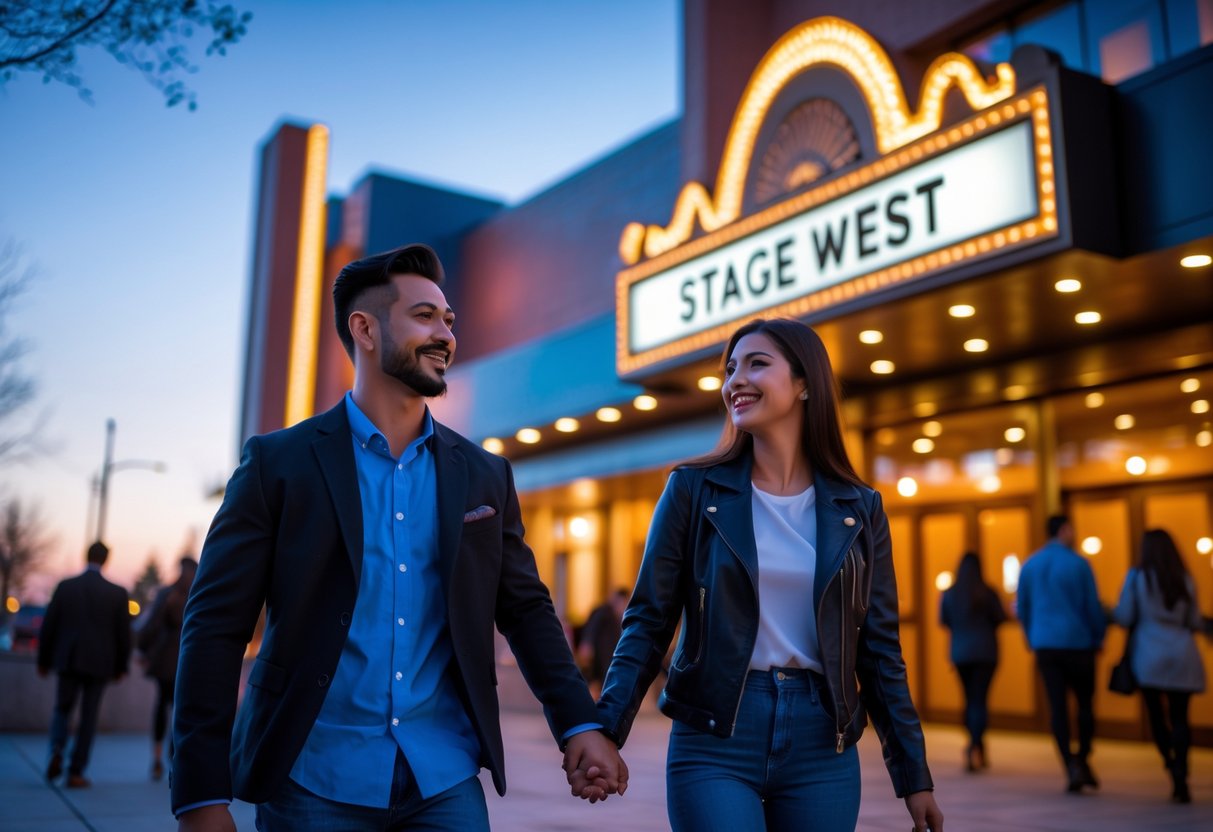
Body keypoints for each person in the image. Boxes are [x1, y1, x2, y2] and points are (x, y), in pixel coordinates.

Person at [171, 244, 626, 831]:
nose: (446, 335)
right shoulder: (278, 465)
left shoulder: (484, 475)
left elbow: (526, 609)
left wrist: (579, 723)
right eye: (424, 316)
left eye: (449, 320)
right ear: (364, 328)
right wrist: (201, 796)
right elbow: (213, 627)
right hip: (312, 777)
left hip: (444, 778)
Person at [594, 318, 942, 832]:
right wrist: (607, 729)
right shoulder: (693, 490)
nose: (735, 379)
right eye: (730, 368)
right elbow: (647, 622)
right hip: (714, 735)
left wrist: (915, 775)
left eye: (757, 363)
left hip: (822, 741)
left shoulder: (861, 508)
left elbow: (879, 647)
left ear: (804, 384)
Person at [1112, 529, 1206, 803]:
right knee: (1180, 718)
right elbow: (1194, 621)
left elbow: (1125, 615)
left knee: (1156, 715)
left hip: (1148, 653)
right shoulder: (1184, 580)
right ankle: (1182, 772)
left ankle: (1169, 761)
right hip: (1182, 652)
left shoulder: (1137, 577)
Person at [1016, 514, 1106, 793]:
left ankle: (1069, 764)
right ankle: (1083, 755)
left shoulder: (1030, 565)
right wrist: (1098, 636)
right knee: (1085, 705)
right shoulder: (1078, 564)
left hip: (1045, 644)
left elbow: (1023, 608)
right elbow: (1092, 605)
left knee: (1057, 708)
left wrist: (1031, 638)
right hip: (1078, 642)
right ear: (1064, 530)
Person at [36, 540, 132, 788]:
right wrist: (122, 667)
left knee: (62, 709)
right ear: (106, 560)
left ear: (86, 555)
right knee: (89, 717)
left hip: (68, 659)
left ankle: (56, 748)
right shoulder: (117, 593)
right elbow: (124, 634)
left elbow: (49, 626)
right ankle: (76, 771)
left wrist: (43, 660)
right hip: (99, 663)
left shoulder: (66, 587)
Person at [939, 552, 1007, 772]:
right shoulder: (988, 592)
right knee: (980, 700)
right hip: (986, 652)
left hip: (960, 652)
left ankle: (975, 744)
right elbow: (1001, 618)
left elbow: (943, 621)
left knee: (969, 699)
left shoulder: (950, 594)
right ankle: (975, 745)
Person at [137, 554, 198, 781]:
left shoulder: (167, 594)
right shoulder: (198, 593)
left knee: (161, 705)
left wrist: (143, 650)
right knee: (181, 710)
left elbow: (152, 625)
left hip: (164, 658)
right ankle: (175, 758)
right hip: (188, 658)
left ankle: (156, 758)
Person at [577, 588, 629, 696]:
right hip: (600, 654)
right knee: (594, 678)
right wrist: (587, 643)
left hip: (606, 655)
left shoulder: (616, 617)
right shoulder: (604, 611)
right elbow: (592, 627)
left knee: (601, 680)